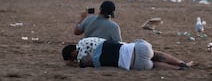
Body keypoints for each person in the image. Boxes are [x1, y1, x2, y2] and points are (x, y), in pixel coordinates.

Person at [62, 37, 194, 71]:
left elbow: (83, 63)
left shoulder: (97, 63)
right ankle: (181, 63)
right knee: (157, 54)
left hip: (135, 64)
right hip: (137, 49)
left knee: (154, 65)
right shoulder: (103, 44)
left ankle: (178, 69)